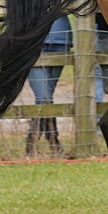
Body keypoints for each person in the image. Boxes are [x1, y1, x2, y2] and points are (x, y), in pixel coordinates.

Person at [25, 12, 71, 156]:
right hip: (30, 39)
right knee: (43, 97)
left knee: (47, 96)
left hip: (60, 38)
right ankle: (51, 141)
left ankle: (35, 146)